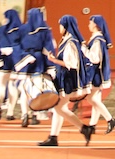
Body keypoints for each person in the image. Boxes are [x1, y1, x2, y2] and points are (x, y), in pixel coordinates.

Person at [38, 15, 93, 147]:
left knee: (58, 107)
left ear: (66, 26)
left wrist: (53, 60)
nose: (59, 28)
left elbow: (72, 64)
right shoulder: (68, 40)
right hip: (66, 79)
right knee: (59, 107)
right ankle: (55, 137)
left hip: (68, 80)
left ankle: (83, 129)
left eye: (61, 25)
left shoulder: (70, 42)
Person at [14, 7, 54, 127]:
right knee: (36, 90)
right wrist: (51, 65)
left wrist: (23, 57)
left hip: (25, 61)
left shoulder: (22, 29)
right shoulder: (45, 30)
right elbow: (49, 49)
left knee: (24, 89)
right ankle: (34, 115)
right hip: (39, 61)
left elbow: (16, 46)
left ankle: (25, 114)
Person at [82, 15, 115, 134]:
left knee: (91, 98)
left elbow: (95, 59)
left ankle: (110, 119)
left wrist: (83, 49)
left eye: (90, 23)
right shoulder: (97, 39)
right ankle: (93, 125)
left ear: (96, 25)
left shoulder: (97, 40)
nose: (89, 25)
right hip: (97, 73)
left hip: (96, 74)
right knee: (95, 99)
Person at [0, 9, 22, 121]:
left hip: (1, 62)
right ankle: (10, 112)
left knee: (0, 86)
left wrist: (0, 50)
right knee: (13, 86)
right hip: (15, 62)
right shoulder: (21, 30)